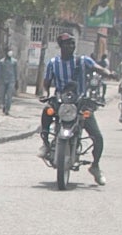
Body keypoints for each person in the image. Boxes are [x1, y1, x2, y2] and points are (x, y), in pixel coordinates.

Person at [38, 31, 105, 184]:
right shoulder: (53, 63)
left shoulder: (82, 61)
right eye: (67, 44)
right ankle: (46, 144)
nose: (71, 46)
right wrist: (45, 94)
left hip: (80, 103)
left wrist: (110, 73)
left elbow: (97, 68)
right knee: (46, 111)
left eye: (72, 43)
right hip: (60, 102)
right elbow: (46, 84)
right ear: (61, 46)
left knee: (98, 137)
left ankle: (95, 166)